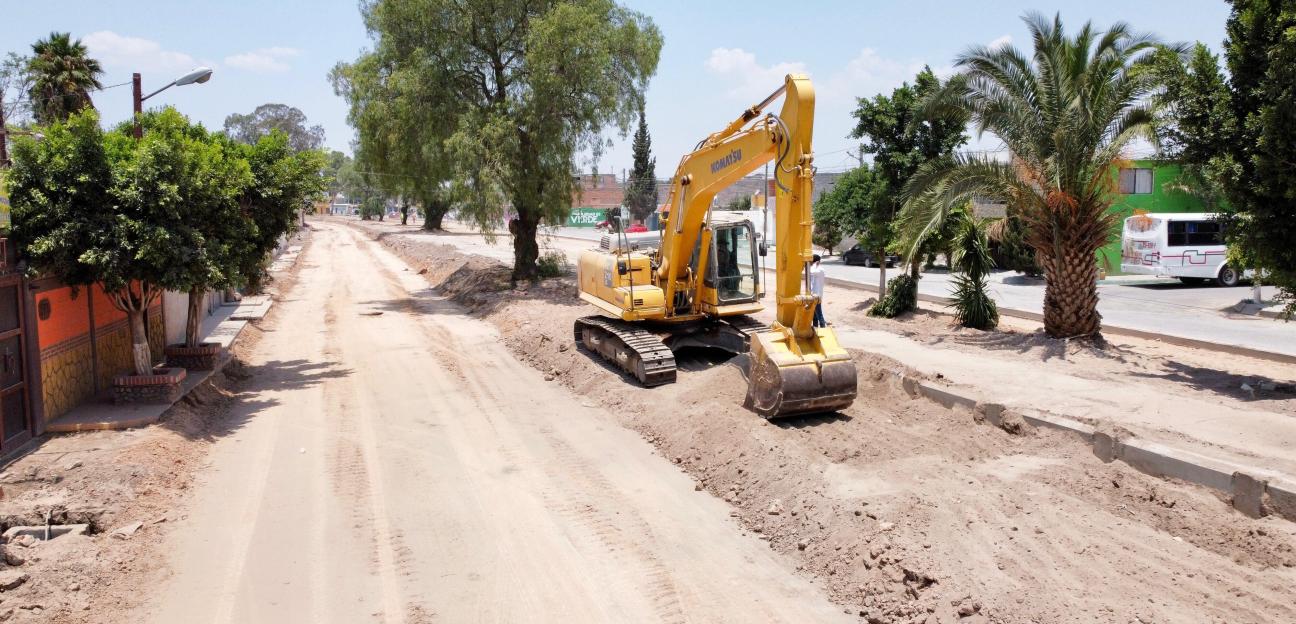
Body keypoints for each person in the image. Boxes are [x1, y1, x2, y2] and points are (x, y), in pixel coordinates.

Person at [809, 254, 827, 328]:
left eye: (811, 261)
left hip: (817, 295)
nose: (810, 263)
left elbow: (811, 271)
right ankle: (815, 327)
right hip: (814, 294)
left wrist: (814, 264)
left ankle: (823, 327)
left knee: (819, 313)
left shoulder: (819, 270)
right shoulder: (817, 269)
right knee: (814, 313)